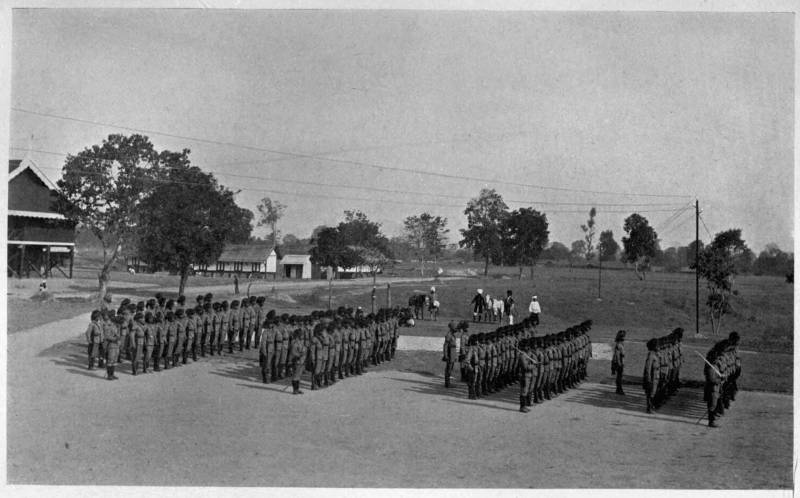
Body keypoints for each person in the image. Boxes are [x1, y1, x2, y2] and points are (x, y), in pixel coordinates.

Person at [642, 338, 659, 413]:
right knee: (650, 393)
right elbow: (648, 368)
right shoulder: (651, 355)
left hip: (655, 377)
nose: (658, 347)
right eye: (657, 345)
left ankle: (650, 407)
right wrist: (648, 379)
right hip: (652, 377)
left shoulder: (654, 354)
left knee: (653, 392)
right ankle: (649, 408)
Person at [288, 329, 307, 395]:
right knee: (295, 376)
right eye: (301, 334)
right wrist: (300, 355)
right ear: (298, 335)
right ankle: (294, 390)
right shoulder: (294, 343)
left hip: (301, 361)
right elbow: (293, 352)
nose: (303, 336)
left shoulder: (300, 342)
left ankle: (297, 389)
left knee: (298, 376)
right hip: (297, 361)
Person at [442, 321, 459, 388]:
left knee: (450, 368)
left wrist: (455, 355)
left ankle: (448, 382)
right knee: (448, 369)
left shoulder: (452, 335)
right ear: (452, 328)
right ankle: (447, 383)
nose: (456, 329)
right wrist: (445, 355)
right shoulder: (449, 335)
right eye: (455, 328)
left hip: (452, 354)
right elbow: (445, 346)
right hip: (450, 354)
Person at [612, 330, 626, 395]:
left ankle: (619, 388)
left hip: (619, 361)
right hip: (619, 362)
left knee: (619, 376)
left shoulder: (619, 344)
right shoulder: (619, 345)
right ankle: (619, 389)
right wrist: (620, 363)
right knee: (619, 376)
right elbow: (617, 355)